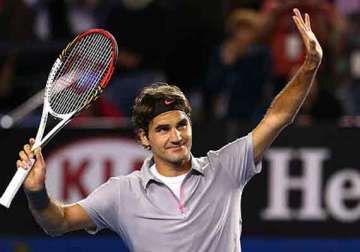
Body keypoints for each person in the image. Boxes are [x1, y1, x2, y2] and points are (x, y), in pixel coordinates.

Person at [17, 9, 322, 252]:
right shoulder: (122, 193)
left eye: (181, 125)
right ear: (143, 138)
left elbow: (277, 116)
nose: (176, 136)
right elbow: (57, 223)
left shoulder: (226, 167)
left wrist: (308, 67)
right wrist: (36, 193)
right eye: (163, 129)